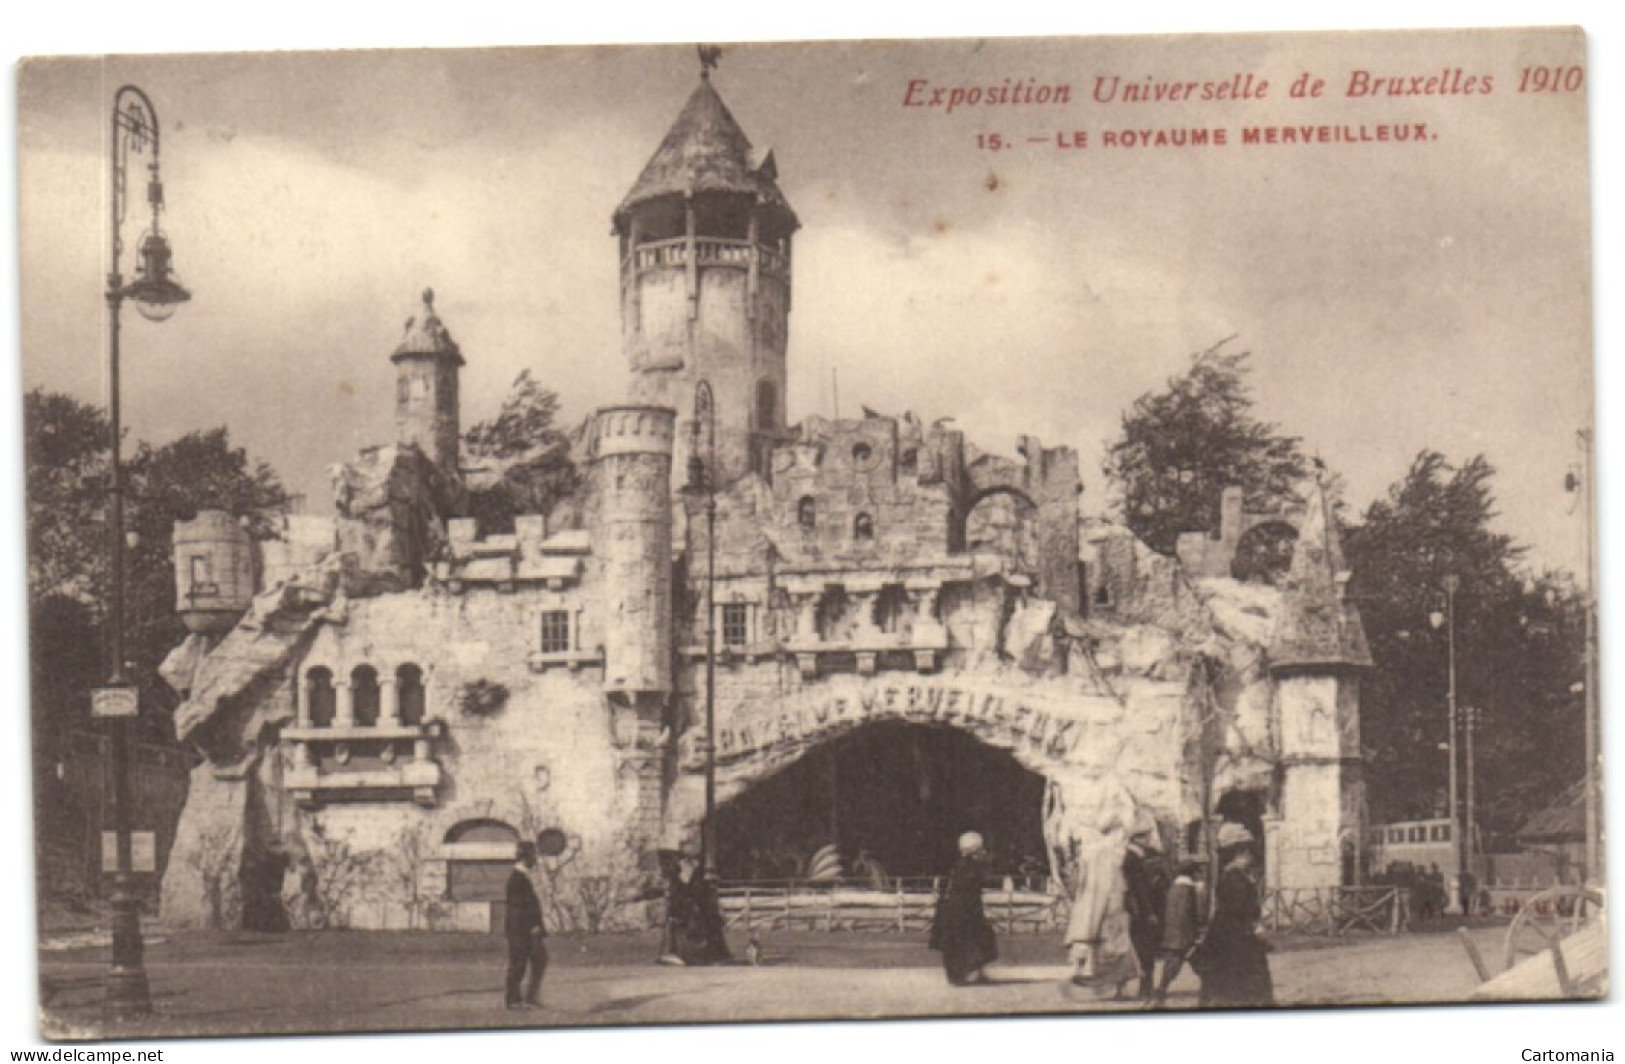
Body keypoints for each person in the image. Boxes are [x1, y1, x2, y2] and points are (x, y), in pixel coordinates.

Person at [1195, 823, 1274, 1008]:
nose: (1249, 856)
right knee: (1240, 986)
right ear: (1238, 852)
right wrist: (1255, 930)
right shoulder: (1234, 878)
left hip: (1229, 935)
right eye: (1246, 852)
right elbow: (1238, 912)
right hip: (1234, 939)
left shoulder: (1235, 876)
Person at [929, 831, 998, 986]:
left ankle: (966, 974)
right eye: (981, 850)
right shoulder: (972, 868)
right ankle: (965, 975)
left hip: (949, 911)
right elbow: (969, 894)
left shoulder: (957, 866)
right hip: (961, 913)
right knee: (972, 941)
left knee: (957, 944)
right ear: (975, 851)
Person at [1122, 828, 1170, 1001]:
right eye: (1144, 837)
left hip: (1141, 910)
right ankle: (1145, 988)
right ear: (1135, 839)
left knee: (1144, 949)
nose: (1147, 839)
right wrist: (1148, 911)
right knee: (1144, 949)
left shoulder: (1136, 857)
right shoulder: (1132, 859)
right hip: (1141, 911)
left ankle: (1144, 987)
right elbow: (1139, 889)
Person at [1153, 860, 1207, 1006]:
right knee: (1200, 966)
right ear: (1193, 873)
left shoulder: (1174, 888)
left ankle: (1161, 993)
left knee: (1171, 967)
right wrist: (1196, 933)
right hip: (1185, 936)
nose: (1200, 875)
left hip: (1174, 934)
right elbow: (1188, 913)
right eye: (1198, 872)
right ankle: (1210, 994)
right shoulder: (1187, 889)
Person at [504, 840, 547, 1010]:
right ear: (525, 857)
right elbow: (519, 908)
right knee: (519, 963)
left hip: (525, 930)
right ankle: (513, 1000)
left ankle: (529, 998)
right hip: (520, 931)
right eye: (533, 855)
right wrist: (532, 927)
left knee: (540, 960)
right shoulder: (517, 879)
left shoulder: (523, 877)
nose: (535, 859)